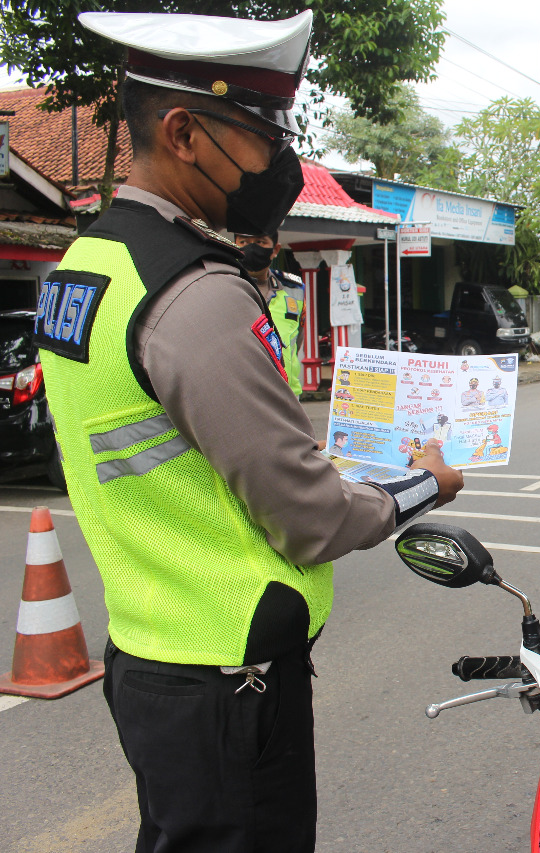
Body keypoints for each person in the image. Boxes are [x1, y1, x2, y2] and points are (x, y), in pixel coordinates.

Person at [37, 11, 465, 851]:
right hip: (230, 677)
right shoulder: (194, 294)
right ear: (183, 133)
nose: (280, 164)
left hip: (150, 655)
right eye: (263, 137)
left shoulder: (88, 264)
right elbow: (311, 519)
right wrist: (423, 485)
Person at [233, 230, 306, 397]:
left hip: (287, 396)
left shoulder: (294, 289)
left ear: (275, 249)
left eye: (260, 242)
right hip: (241, 396)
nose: (251, 248)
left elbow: (296, 341)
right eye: (243, 242)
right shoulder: (222, 285)